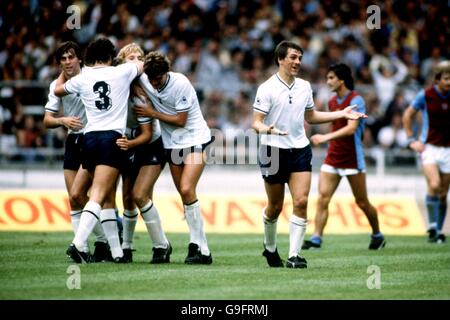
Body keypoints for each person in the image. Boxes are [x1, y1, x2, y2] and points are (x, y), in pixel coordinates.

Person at [252, 41, 367, 269]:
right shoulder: (266, 88)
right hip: (272, 151)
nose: (297, 62)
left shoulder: (304, 86)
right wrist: (268, 129)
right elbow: (256, 122)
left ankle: (295, 255)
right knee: (275, 207)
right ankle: (270, 247)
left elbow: (311, 117)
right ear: (280, 59)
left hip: (299, 150)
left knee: (302, 201)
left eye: (299, 58)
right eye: (293, 57)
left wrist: (341, 113)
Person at [54, 37, 143, 263]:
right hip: (110, 139)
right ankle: (78, 243)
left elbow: (58, 90)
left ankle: (116, 252)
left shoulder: (83, 78)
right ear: (111, 57)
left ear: (89, 57)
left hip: (88, 139)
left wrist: (65, 71)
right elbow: (143, 64)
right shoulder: (122, 71)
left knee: (103, 198)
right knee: (99, 195)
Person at [134, 51, 213, 265]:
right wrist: (138, 88)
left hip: (195, 138)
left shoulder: (181, 83)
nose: (153, 83)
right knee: (185, 195)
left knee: (187, 189)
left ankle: (196, 245)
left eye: (157, 79)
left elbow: (180, 120)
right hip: (172, 144)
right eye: (150, 79)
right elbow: (130, 76)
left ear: (166, 72)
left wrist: (152, 113)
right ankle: (202, 250)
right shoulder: (146, 78)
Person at [302, 63, 386, 250]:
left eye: (331, 77)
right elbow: (333, 125)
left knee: (362, 202)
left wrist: (325, 137)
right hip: (333, 156)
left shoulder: (357, 100)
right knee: (323, 197)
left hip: (352, 157)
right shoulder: (332, 101)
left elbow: (351, 128)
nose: (328, 81)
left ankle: (377, 234)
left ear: (341, 80)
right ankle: (316, 238)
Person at [43, 41, 110, 261]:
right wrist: (63, 120)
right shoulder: (57, 84)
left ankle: (102, 242)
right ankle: (91, 245)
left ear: (80, 58)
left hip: (94, 139)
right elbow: (47, 120)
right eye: (62, 59)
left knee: (90, 195)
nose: (67, 62)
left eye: (70, 57)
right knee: (75, 198)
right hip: (73, 142)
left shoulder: (91, 76)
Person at [115, 43, 172, 263]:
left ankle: (162, 245)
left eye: (140, 57)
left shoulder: (141, 91)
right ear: (121, 63)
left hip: (149, 144)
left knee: (140, 195)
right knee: (127, 198)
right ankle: (126, 247)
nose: (138, 60)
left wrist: (128, 145)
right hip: (129, 143)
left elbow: (147, 134)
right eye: (132, 57)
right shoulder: (117, 86)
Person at [402, 60, 450, 244]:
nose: (449, 82)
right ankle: (432, 226)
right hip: (429, 147)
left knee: (444, 193)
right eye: (446, 78)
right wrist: (411, 139)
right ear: (438, 79)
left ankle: (437, 231)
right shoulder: (426, 95)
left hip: (448, 149)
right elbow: (408, 115)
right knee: (435, 184)